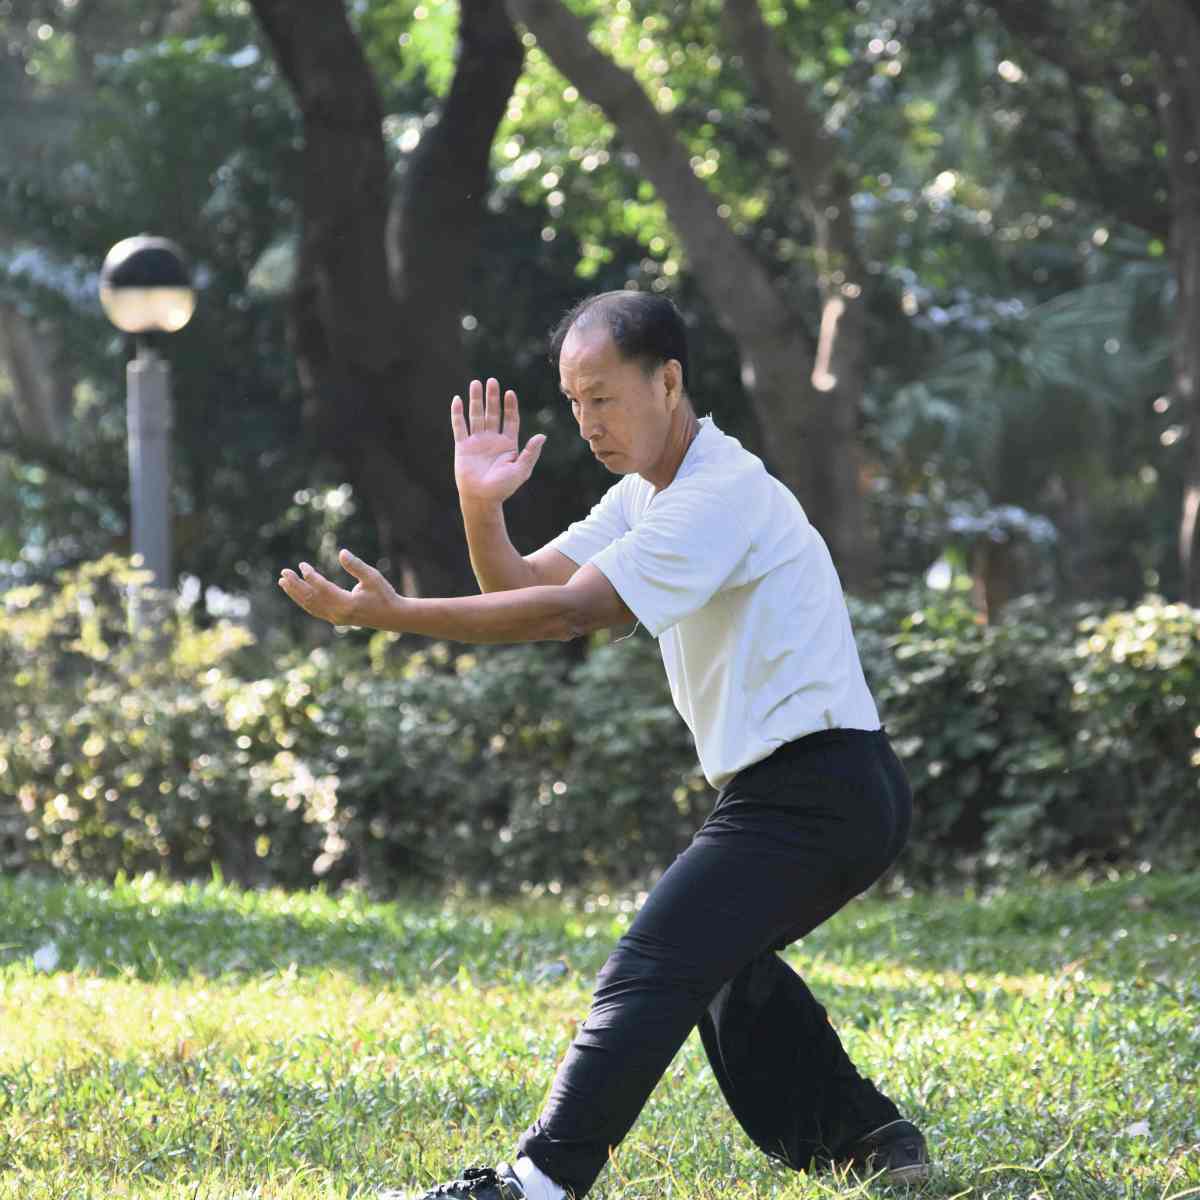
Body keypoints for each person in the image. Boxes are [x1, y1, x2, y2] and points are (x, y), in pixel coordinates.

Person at [278, 291, 931, 1200]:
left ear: (668, 381)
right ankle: (872, 1145)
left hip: (820, 787)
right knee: (713, 963)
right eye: (573, 401)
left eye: (602, 397)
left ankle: (538, 1183)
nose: (586, 422)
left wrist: (395, 616)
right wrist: (480, 504)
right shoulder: (644, 496)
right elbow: (523, 583)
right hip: (808, 789)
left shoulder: (718, 494)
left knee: (657, 964)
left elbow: (573, 613)